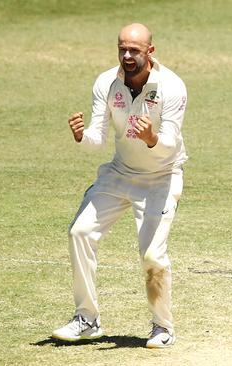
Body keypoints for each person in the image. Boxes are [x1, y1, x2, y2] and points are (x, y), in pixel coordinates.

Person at [51, 23, 188, 349]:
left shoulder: (172, 87)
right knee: (79, 232)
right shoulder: (106, 82)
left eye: (134, 50)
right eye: (122, 49)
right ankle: (86, 319)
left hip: (161, 178)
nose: (127, 56)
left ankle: (162, 327)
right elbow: (97, 138)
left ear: (150, 51)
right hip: (120, 173)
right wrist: (82, 136)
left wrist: (151, 137)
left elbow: (170, 142)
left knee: (152, 255)